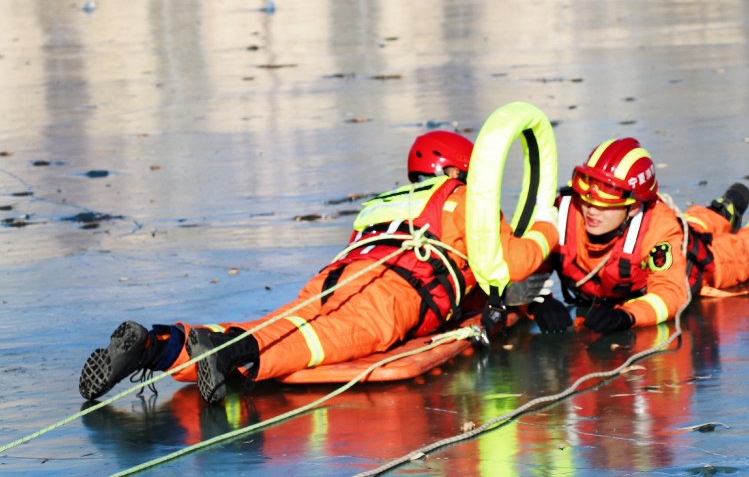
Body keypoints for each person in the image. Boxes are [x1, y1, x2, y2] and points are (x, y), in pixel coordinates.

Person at [79, 131, 559, 404]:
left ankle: (157, 344)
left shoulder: (384, 201)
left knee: (280, 323)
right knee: (321, 343)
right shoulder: (462, 201)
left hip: (336, 277)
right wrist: (547, 229)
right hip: (394, 292)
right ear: (462, 172)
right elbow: (509, 263)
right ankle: (227, 354)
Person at [529, 137, 749, 334]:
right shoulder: (563, 214)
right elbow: (525, 263)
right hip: (676, 233)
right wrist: (538, 301)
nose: (592, 210)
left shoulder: (657, 230)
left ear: (633, 207)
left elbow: (670, 293)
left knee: (748, 251)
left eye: (606, 202)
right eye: (588, 198)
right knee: (690, 226)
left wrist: (628, 316)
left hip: (694, 268)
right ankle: (722, 212)